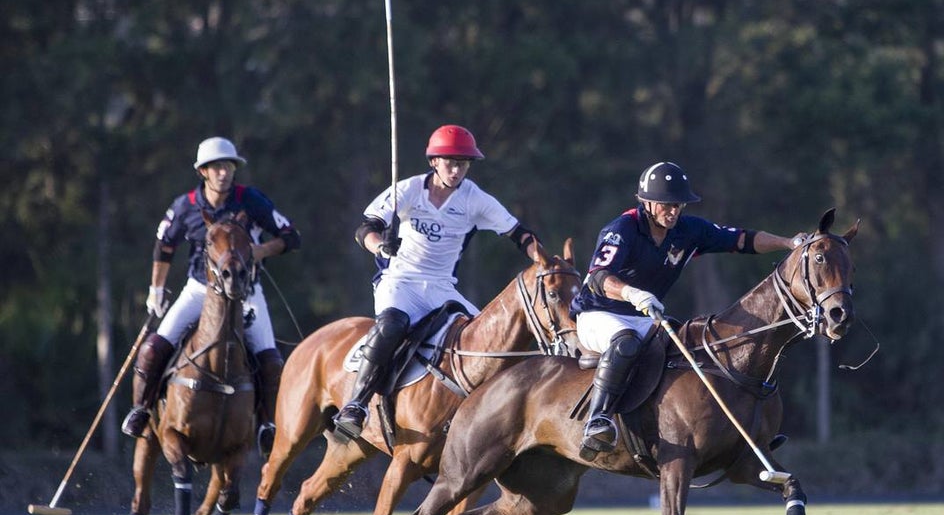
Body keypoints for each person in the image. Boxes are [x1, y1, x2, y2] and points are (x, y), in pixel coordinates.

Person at [571, 160, 805, 455]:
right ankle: (597, 420)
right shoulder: (622, 230)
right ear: (646, 203)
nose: (673, 211)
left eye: (678, 205)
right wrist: (632, 294)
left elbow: (741, 239)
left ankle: (739, 432)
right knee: (626, 342)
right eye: (665, 205)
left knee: (691, 346)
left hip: (644, 317)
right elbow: (597, 277)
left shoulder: (688, 231)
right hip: (598, 313)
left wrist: (789, 243)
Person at [331, 124, 544, 439]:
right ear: (434, 161)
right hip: (400, 281)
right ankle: (357, 405)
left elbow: (519, 233)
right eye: (450, 162)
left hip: (443, 289)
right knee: (392, 326)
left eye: (463, 163)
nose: (457, 170)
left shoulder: (475, 199)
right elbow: (366, 228)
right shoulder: (409, 189)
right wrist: (380, 246)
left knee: (490, 339)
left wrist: (544, 260)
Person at [120, 136, 301, 456]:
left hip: (246, 292)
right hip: (199, 290)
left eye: (228, 166)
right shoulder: (185, 206)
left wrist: (260, 251)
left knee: (271, 360)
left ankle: (267, 425)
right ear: (203, 171)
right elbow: (164, 247)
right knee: (152, 348)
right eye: (216, 167)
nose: (223, 173)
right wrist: (156, 290)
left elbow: (290, 236)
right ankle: (142, 411)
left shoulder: (251, 200)